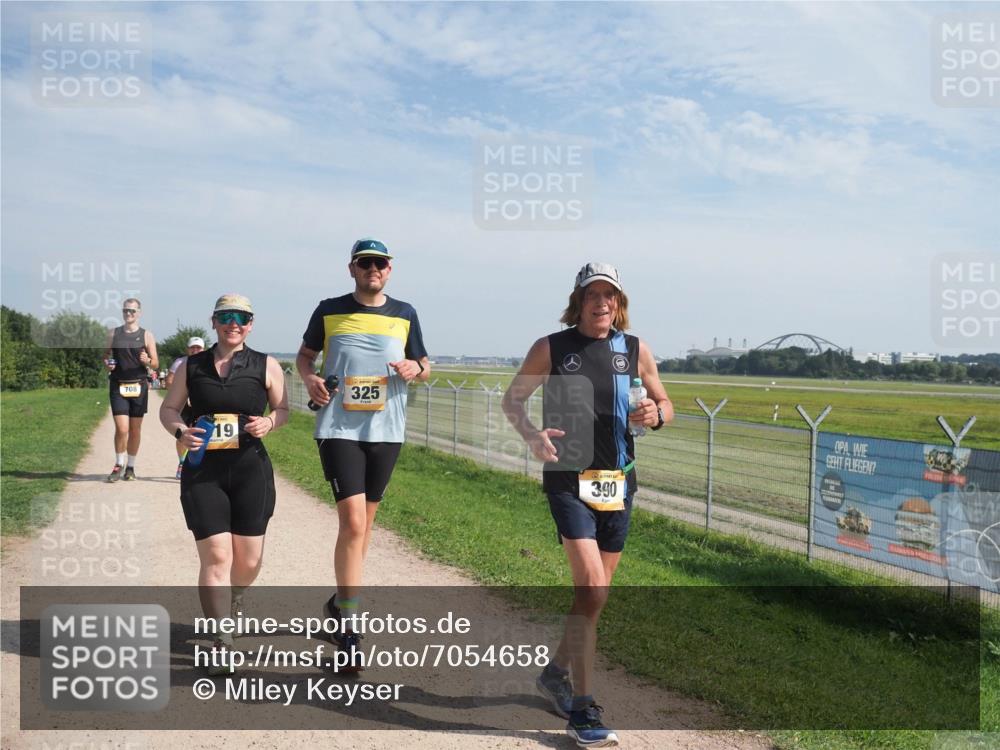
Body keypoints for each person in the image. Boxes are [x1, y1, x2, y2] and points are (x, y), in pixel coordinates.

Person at [502, 262, 673, 748]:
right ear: (577, 301)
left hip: (618, 482)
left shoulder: (636, 350)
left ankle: (555, 673)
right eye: (592, 295)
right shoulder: (551, 347)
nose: (602, 303)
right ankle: (583, 707)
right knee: (593, 588)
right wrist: (532, 435)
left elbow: (665, 404)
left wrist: (655, 414)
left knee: (592, 598)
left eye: (610, 295)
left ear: (620, 303)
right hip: (567, 478)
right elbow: (513, 401)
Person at [296, 237, 430, 671]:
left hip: (387, 429)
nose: (374, 269)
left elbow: (425, 366)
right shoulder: (328, 309)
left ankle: (339, 600)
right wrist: (310, 379)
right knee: (353, 522)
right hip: (338, 426)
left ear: (390, 270)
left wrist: (416, 369)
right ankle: (350, 629)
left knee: (365, 525)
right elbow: (304, 357)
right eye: (366, 263)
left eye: (381, 263)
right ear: (352, 268)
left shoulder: (405, 313)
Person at [160, 294, 288, 676]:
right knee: (217, 557)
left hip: (250, 471)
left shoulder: (266, 364)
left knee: (247, 562)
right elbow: (168, 409)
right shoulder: (192, 366)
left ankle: (236, 596)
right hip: (204, 472)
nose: (235, 323)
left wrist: (270, 423)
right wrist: (181, 431)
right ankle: (221, 639)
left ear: (251, 323)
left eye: (243, 317)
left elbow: (282, 410)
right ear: (214, 321)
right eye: (227, 317)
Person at [103, 298, 159, 482]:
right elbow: (105, 356)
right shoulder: (113, 333)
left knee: (135, 430)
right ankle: (118, 464)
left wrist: (147, 361)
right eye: (126, 310)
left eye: (133, 311)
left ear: (139, 313)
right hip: (118, 385)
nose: (129, 314)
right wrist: (108, 364)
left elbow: (156, 364)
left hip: (139, 386)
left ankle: (131, 467)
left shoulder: (146, 335)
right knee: (122, 428)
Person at [166, 336, 207, 479]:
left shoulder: (209, 362)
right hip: (184, 404)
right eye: (192, 348)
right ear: (187, 349)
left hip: (201, 403)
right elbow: (169, 381)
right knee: (182, 433)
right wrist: (181, 395)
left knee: (202, 433)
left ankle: (200, 464)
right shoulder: (180, 362)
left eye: (198, 348)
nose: (195, 350)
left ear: (203, 349)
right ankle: (182, 463)